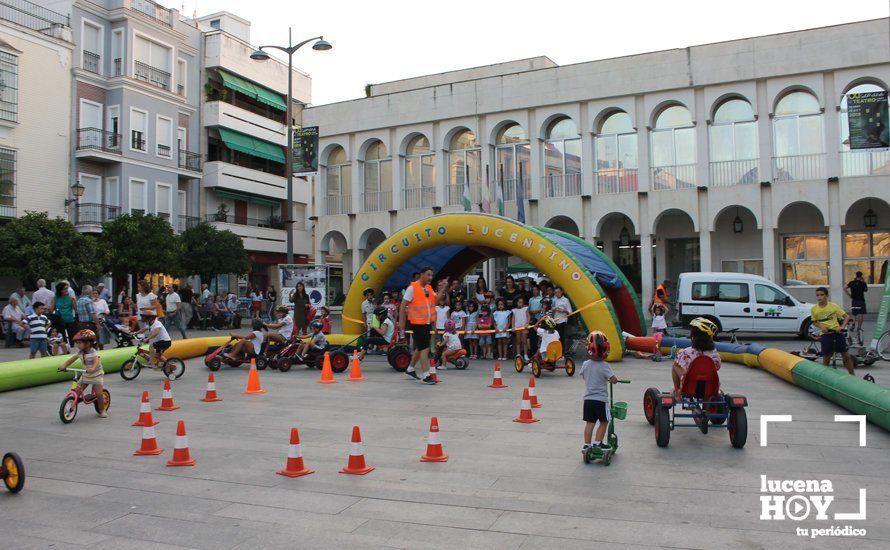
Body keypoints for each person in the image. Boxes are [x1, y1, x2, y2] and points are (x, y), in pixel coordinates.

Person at [398, 266, 448, 384]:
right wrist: (401, 324)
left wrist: (443, 288)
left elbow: (436, 301)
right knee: (425, 348)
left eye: (431, 275)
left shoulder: (428, 288)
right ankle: (426, 375)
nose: (431, 277)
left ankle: (410, 369)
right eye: (428, 275)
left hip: (426, 323)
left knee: (420, 348)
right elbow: (402, 306)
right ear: (422, 275)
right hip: (417, 323)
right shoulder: (412, 288)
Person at [580, 331, 618, 454]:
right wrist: (614, 380)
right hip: (601, 400)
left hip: (588, 400)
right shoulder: (605, 366)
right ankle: (598, 443)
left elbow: (583, 375)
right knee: (604, 421)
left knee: (589, 423)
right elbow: (613, 379)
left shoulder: (585, 364)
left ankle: (586, 445)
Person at [58, 329, 107, 418]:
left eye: (79, 343)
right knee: (77, 391)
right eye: (77, 343)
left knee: (99, 394)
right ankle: (73, 403)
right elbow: (71, 359)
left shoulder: (93, 352)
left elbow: (96, 361)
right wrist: (64, 365)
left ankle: (102, 410)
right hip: (85, 374)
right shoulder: (80, 353)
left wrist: (93, 367)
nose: (77, 345)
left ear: (88, 343)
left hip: (96, 375)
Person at [672, 317, 723, 395]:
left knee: (675, 365)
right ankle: (707, 404)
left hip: (690, 386)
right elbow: (718, 367)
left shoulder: (686, 352)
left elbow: (682, 365)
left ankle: (677, 392)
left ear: (693, 337)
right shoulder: (715, 354)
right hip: (711, 387)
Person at [811, 287, 855, 375]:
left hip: (837, 333)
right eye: (817, 295)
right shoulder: (814, 308)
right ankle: (825, 376)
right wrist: (821, 326)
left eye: (822, 295)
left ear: (826, 296)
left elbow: (846, 317)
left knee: (846, 356)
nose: (819, 297)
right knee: (826, 357)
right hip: (825, 334)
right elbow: (814, 321)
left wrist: (842, 327)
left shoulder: (833, 306)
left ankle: (852, 375)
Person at [845, 271, 868, 345]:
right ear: (861, 276)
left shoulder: (851, 283)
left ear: (856, 275)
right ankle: (859, 327)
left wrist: (850, 295)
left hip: (854, 300)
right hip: (861, 300)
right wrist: (863, 282)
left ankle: (853, 324)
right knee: (861, 314)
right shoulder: (863, 283)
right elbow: (866, 290)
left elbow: (844, 288)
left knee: (854, 313)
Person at [512, 296, 530, 361]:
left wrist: (527, 323)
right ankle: (518, 354)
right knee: (518, 341)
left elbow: (528, 316)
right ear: (516, 303)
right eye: (519, 302)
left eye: (522, 302)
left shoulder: (525, 308)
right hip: (517, 328)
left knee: (524, 341)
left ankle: (525, 355)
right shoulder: (514, 310)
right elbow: (513, 319)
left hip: (524, 327)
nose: (521, 303)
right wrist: (513, 326)